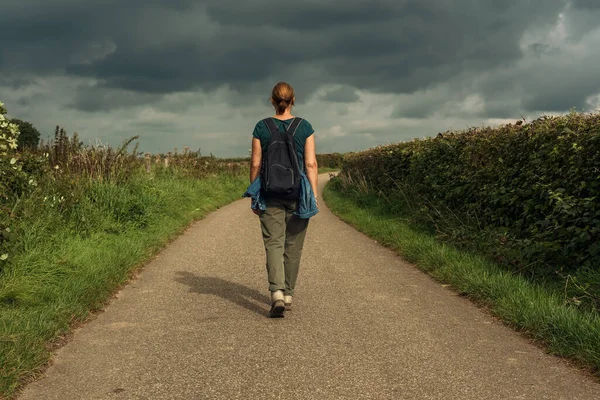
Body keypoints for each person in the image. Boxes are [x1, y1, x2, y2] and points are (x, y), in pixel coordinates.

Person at [249, 81, 319, 318]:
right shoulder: (304, 126)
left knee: (274, 244)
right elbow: (310, 164)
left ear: (272, 100)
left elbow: (256, 164)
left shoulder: (261, 127)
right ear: (293, 100)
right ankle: (288, 294)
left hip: (270, 193)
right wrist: (315, 195)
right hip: (299, 193)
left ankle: (276, 293)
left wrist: (255, 194)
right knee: (293, 246)